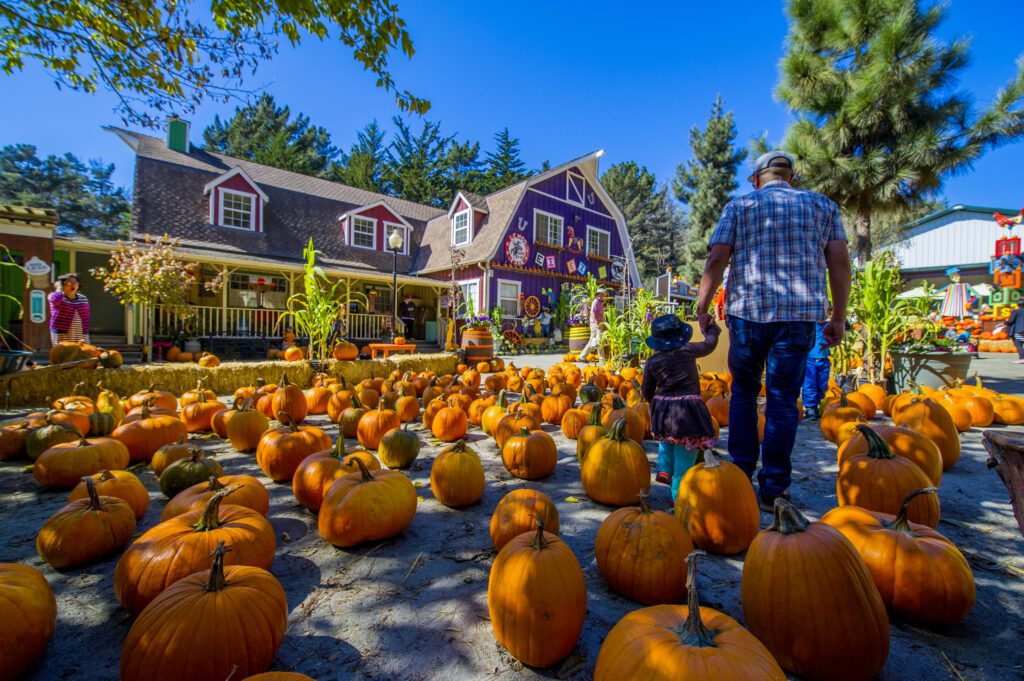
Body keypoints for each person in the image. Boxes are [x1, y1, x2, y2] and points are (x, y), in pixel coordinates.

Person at [697, 150, 851, 511]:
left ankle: (739, 473)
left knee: (744, 393)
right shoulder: (822, 206)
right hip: (798, 315)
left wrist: (702, 308)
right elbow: (840, 262)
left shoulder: (739, 206)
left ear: (756, 179)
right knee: (783, 399)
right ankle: (775, 487)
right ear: (791, 178)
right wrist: (839, 317)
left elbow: (717, 258)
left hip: (748, 314)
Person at [641, 314, 721, 503]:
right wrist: (712, 330)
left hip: (664, 409)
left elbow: (647, 390)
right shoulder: (688, 350)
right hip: (687, 412)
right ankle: (678, 497)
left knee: (666, 441)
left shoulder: (652, 362)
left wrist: (655, 404)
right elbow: (709, 344)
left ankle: (663, 468)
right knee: (684, 457)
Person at [801, 314, 832, 420]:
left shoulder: (830, 324)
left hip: (824, 359)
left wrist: (836, 319)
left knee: (822, 384)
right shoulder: (810, 323)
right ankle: (810, 407)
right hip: (810, 359)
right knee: (809, 384)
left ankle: (818, 404)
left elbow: (847, 326)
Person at [48, 273, 91, 346]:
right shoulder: (55, 296)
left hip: (79, 332)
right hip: (62, 332)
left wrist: (85, 331)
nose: (73, 284)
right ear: (62, 285)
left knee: (81, 353)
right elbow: (55, 301)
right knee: (64, 353)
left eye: (75, 282)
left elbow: (86, 316)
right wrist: (59, 289)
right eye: (69, 282)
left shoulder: (82, 298)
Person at [577, 289, 607, 361]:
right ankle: (601, 359)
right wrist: (597, 323)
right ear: (599, 294)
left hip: (599, 324)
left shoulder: (600, 303)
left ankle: (582, 357)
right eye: (602, 295)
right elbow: (593, 313)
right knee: (597, 341)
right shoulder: (596, 302)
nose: (603, 296)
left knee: (595, 341)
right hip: (595, 324)